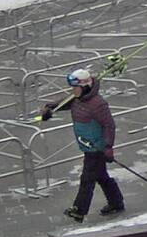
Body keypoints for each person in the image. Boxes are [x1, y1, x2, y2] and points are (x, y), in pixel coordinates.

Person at [41, 68, 125, 222]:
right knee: (101, 176)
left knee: (87, 178)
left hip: (96, 147)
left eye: (75, 88)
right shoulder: (78, 99)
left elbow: (109, 125)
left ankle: (79, 210)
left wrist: (108, 147)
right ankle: (116, 203)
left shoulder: (98, 104)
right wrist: (50, 108)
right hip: (87, 145)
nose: (73, 91)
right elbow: (64, 103)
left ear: (85, 87)